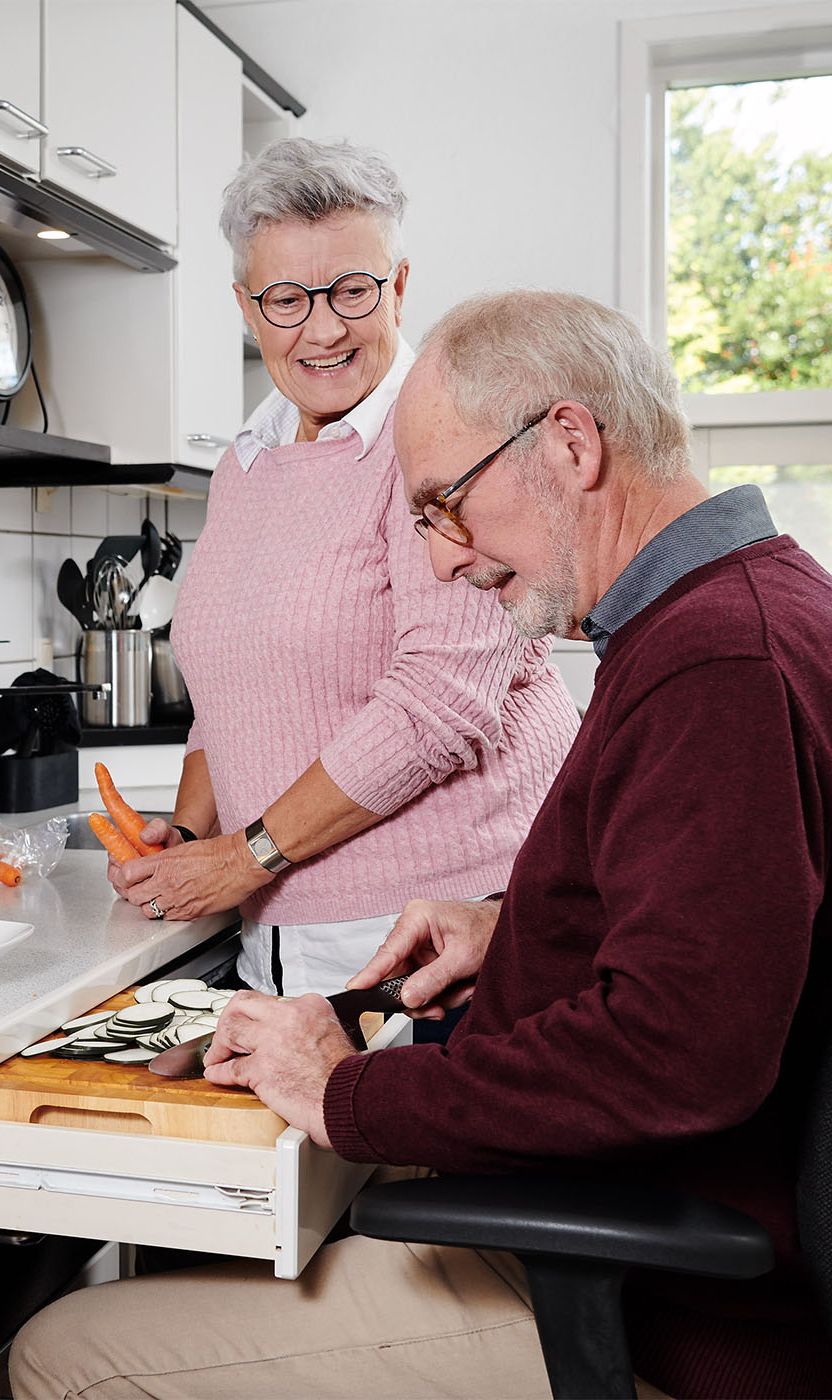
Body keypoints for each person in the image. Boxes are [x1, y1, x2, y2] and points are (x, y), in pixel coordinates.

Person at [11, 291, 832, 1400]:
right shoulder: (759, 610)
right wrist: (511, 930)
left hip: (625, 1302)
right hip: (624, 1234)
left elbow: (675, 1053)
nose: (444, 557)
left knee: (62, 1352)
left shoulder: (718, 669)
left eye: (446, 504)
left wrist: (344, 1087)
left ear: (570, 442)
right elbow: (726, 937)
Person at [107, 139, 580, 999]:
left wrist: (245, 857)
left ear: (398, 287)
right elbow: (232, 689)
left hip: (445, 930)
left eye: (351, 292)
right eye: (286, 300)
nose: (322, 330)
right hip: (280, 933)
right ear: (247, 308)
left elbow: (440, 703)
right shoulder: (245, 461)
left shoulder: (447, 438)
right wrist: (184, 835)